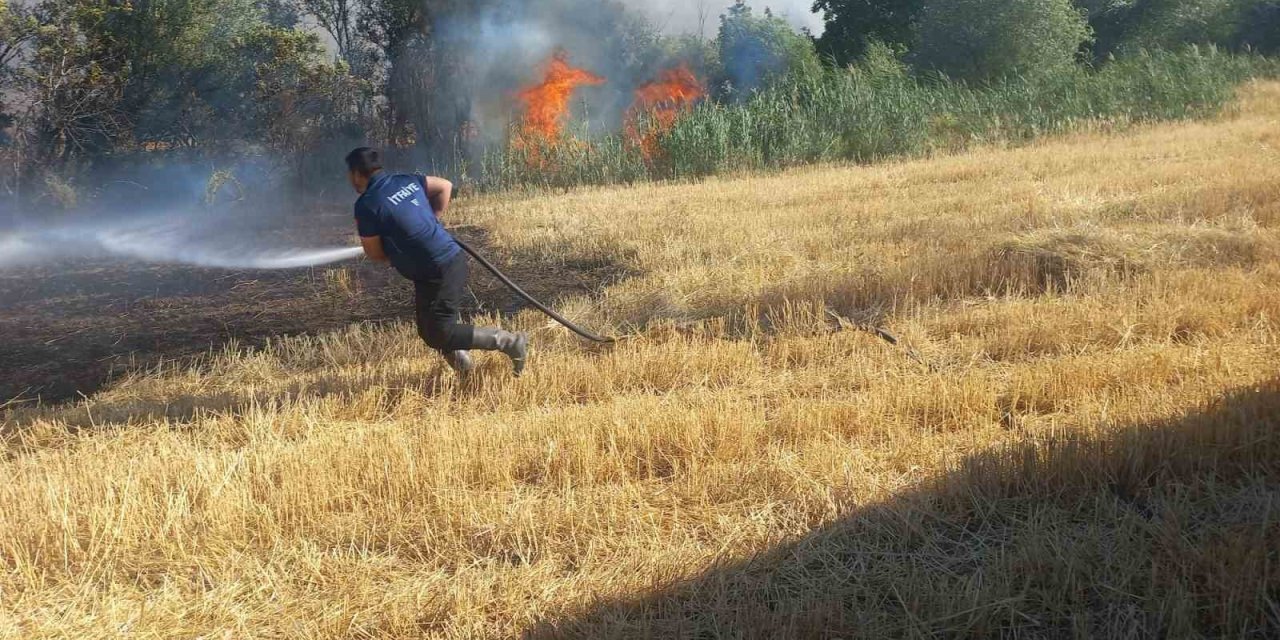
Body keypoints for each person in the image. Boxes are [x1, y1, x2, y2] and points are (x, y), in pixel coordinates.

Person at [346, 147, 528, 376]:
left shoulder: (367, 205)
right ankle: (466, 372)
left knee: (440, 331)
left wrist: (400, 245)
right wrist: (432, 219)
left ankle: (509, 342)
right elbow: (445, 185)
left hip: (440, 267)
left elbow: (375, 254)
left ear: (355, 173)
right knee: (429, 331)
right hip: (436, 267)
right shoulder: (406, 180)